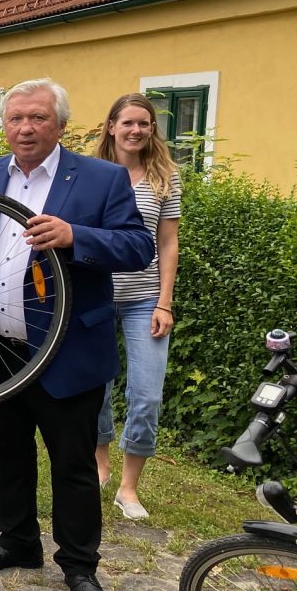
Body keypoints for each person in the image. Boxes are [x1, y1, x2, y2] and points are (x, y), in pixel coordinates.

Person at [0, 79, 153, 591]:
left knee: (73, 464)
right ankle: (17, 540)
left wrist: (76, 236)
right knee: (5, 451)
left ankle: (79, 564)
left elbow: (137, 247)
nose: (25, 128)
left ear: (60, 124)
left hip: (68, 349)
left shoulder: (103, 178)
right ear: (3, 125)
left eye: (37, 118)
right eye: (15, 118)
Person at [92, 94, 182, 520]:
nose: (136, 130)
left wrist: (165, 302)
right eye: (128, 122)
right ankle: (100, 465)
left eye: (144, 124)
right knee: (96, 390)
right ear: (111, 126)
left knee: (147, 394)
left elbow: (168, 243)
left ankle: (129, 488)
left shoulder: (166, 177)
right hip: (93, 295)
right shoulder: (89, 175)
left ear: (152, 130)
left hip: (144, 299)